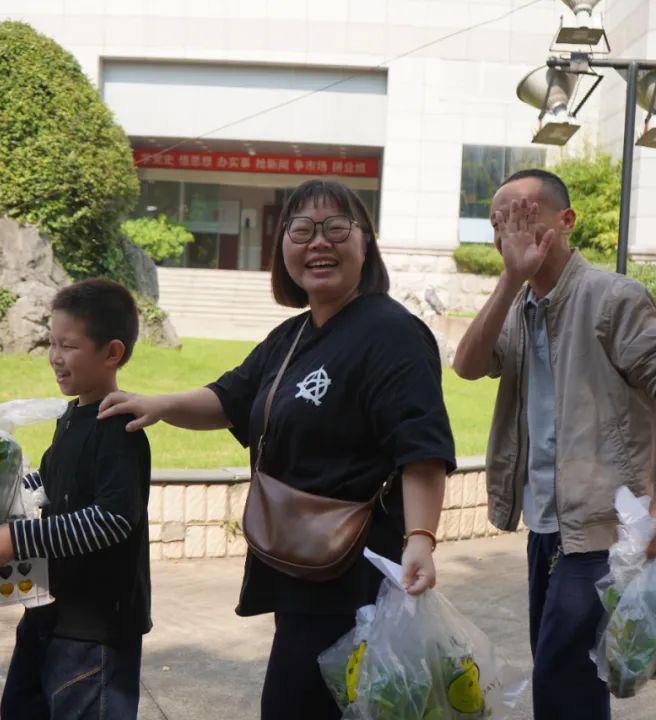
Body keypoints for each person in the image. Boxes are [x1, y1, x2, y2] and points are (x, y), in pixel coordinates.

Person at [98, 178, 456, 720]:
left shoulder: (392, 333)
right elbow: (229, 399)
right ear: (282, 246)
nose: (319, 243)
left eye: (337, 228)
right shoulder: (291, 337)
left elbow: (421, 446)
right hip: (300, 567)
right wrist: (159, 404)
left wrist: (421, 540)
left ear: (366, 245)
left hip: (356, 577)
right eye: (302, 229)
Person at [452, 169, 656, 720]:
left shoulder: (612, 296)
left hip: (604, 525)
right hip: (544, 525)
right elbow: (466, 366)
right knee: (567, 672)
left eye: (525, 214)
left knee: (560, 672)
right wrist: (510, 280)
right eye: (500, 223)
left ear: (566, 220)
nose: (511, 229)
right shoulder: (517, 307)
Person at [0, 278, 152, 720]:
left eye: (68, 346)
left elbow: (112, 519)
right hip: (51, 611)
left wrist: (21, 538)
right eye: (52, 343)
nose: (55, 356)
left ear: (112, 353)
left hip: (96, 631)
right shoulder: (71, 417)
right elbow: (48, 483)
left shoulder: (119, 429)